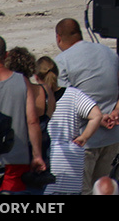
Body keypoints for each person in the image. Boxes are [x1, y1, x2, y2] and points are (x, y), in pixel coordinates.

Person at [54, 17, 119, 193]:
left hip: (84, 139)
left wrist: (97, 117)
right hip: (113, 134)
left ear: (59, 38)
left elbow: (67, 100)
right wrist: (117, 110)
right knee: (105, 189)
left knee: (82, 190)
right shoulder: (108, 52)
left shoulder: (62, 61)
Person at [0, 36, 42, 191]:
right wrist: (37, 155)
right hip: (16, 157)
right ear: (6, 55)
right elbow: (32, 121)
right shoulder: (22, 81)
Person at [43, 63, 103, 197]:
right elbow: (97, 115)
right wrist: (84, 137)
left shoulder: (36, 96)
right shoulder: (73, 94)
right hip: (71, 157)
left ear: (36, 76)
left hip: (48, 157)